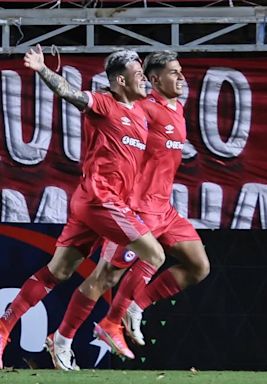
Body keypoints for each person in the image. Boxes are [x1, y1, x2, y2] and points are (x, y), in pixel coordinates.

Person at [0, 45, 167, 370]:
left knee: (57, 272)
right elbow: (72, 95)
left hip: (94, 206)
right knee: (155, 255)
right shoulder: (105, 103)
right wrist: (42, 70)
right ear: (120, 80)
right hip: (102, 201)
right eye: (137, 74)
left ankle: (3, 327)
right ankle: (120, 317)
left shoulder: (142, 114)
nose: (144, 79)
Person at [45, 51, 210, 370]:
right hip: (135, 207)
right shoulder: (144, 109)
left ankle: (135, 307)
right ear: (154, 79)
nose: (181, 78)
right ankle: (64, 338)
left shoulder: (177, 111)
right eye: (173, 73)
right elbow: (109, 124)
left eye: (181, 71)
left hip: (164, 209)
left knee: (198, 266)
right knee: (103, 278)